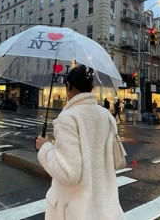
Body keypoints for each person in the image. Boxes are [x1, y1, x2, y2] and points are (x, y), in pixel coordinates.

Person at [36, 65, 126, 220]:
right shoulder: (107, 115)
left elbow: (69, 173)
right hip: (105, 208)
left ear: (68, 87)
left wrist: (45, 147)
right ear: (91, 88)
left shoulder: (68, 118)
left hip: (74, 211)